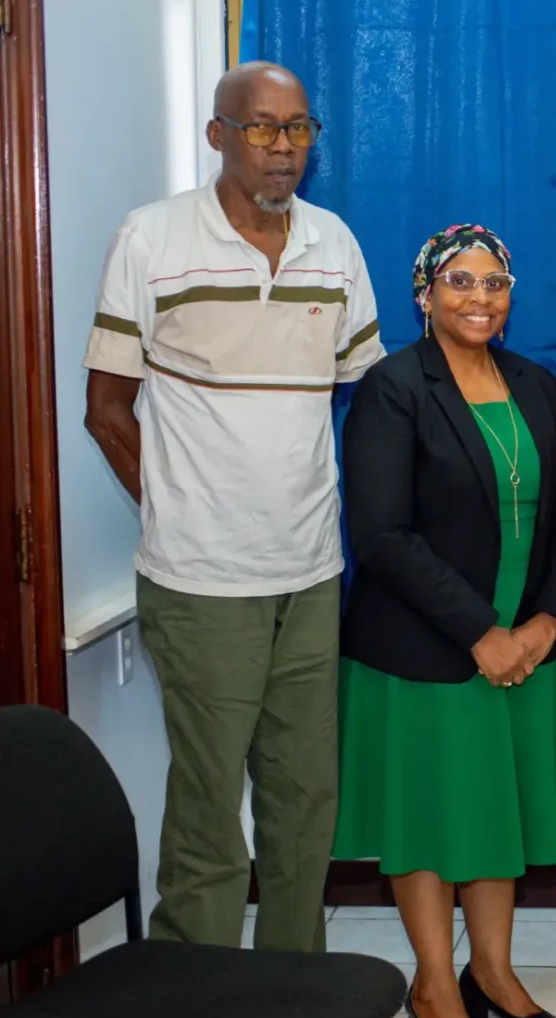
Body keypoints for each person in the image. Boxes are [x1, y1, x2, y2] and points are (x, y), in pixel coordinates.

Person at [82, 61, 382, 951]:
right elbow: (106, 409)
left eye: (298, 128)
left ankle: (292, 993)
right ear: (218, 134)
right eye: (261, 127)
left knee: (305, 800)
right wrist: (177, 509)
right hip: (200, 581)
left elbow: (365, 400)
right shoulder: (153, 237)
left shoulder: (335, 244)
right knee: (210, 811)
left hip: (310, 572)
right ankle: (196, 996)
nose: (282, 147)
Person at [334, 225, 556, 1018]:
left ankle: (494, 972)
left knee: (493, 816)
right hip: (426, 650)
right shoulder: (394, 387)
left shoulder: (536, 385)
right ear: (425, 294)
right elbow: (381, 535)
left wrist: (546, 620)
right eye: (460, 282)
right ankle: (435, 990)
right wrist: (482, 631)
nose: (480, 298)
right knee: (427, 821)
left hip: (525, 647)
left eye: (495, 283)